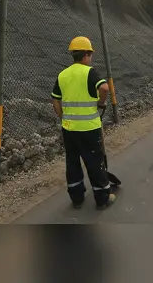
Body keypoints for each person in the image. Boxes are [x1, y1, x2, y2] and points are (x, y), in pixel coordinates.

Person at [51, 36, 117, 210]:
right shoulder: (89, 72)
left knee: (72, 163)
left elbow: (55, 99)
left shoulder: (62, 75)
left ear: (73, 54)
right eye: (91, 54)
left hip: (69, 129)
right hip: (89, 129)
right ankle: (102, 198)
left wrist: (62, 117)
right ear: (87, 55)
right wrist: (101, 103)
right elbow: (104, 88)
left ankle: (77, 198)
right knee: (95, 162)